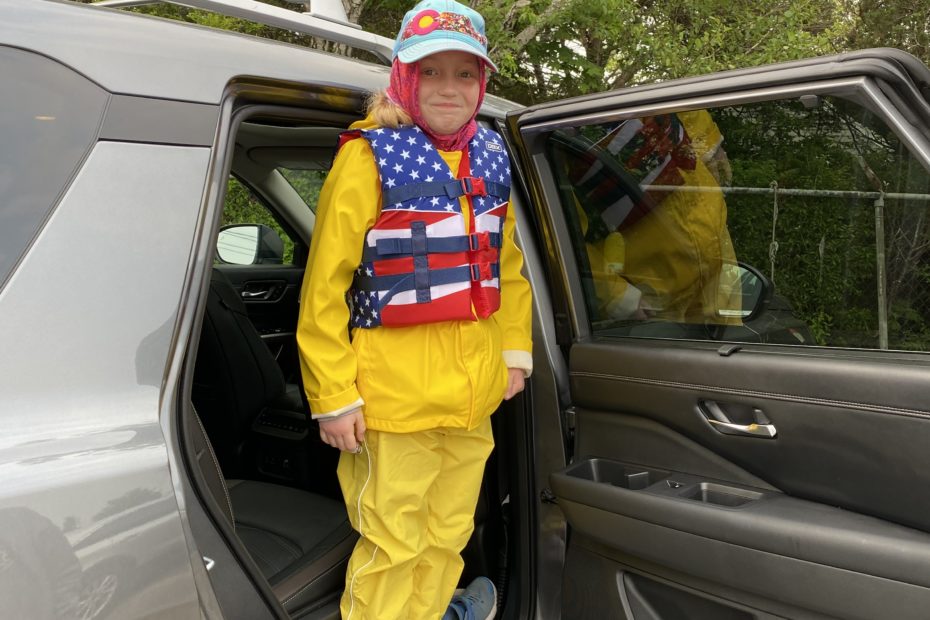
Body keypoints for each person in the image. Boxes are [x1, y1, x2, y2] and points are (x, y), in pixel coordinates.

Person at [296, 2, 533, 619]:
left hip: (472, 398)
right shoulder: (367, 157)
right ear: (404, 76)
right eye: (431, 73)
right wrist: (333, 396)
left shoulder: (489, 154)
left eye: (464, 74)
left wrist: (514, 355)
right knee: (394, 545)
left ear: (481, 83)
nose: (449, 89)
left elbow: (506, 268)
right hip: (392, 404)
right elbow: (323, 290)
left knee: (449, 536)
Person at [559, 109, 741, 326]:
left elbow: (674, 89)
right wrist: (616, 296)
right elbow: (554, 229)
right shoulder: (555, 126)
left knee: (734, 349)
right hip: (653, 298)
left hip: (715, 256)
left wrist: (709, 142)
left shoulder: (641, 83)